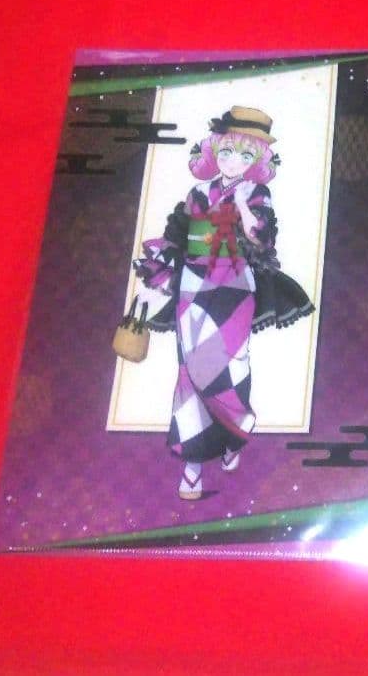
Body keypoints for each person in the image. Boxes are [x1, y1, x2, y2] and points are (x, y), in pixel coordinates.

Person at [133, 106, 314, 499]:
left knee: (231, 366)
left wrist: (245, 204)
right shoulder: (197, 194)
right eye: (227, 152)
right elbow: (174, 240)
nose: (233, 162)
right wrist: (155, 282)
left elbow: (261, 239)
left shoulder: (258, 194)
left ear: (256, 162)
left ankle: (233, 436)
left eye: (245, 156)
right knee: (190, 372)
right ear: (214, 152)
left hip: (234, 288)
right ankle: (192, 468)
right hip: (192, 287)